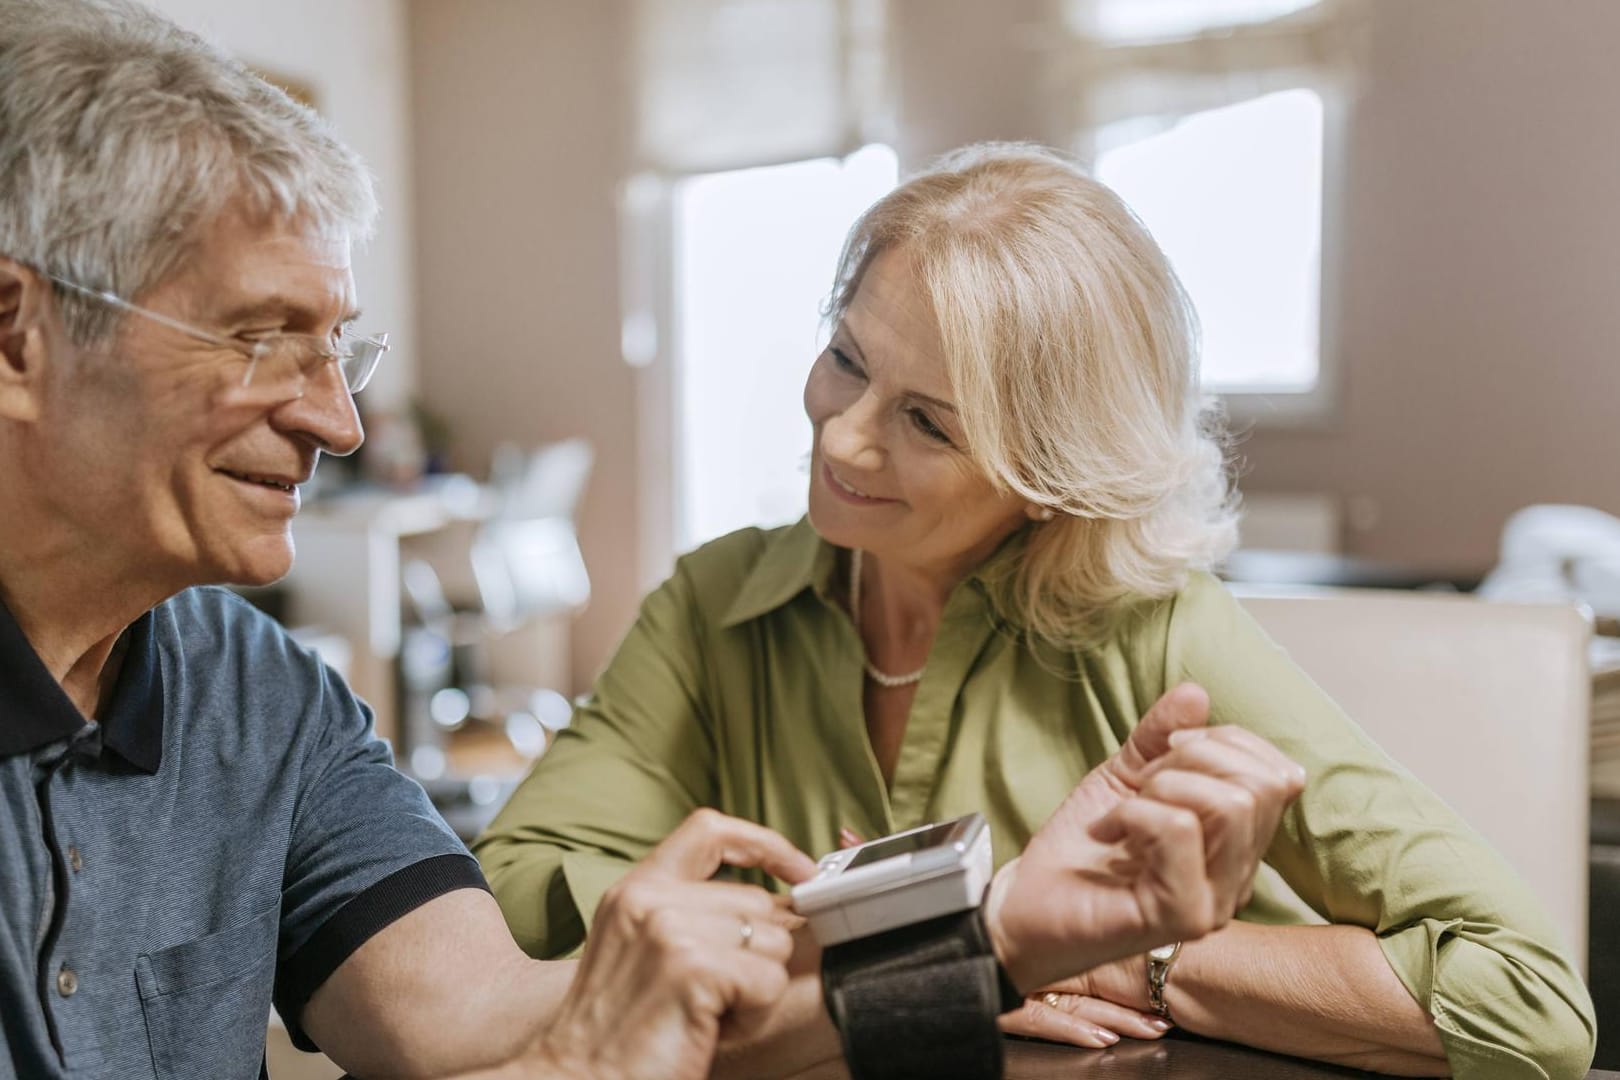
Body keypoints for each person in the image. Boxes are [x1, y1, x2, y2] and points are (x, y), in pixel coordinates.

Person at [0, 4, 1301, 1078]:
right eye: (257, 336)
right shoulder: (717, 599)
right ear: (21, 334)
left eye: (337, 347)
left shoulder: (269, 704)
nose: (337, 421)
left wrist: (997, 936)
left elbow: (486, 1026)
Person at [476, 143, 1598, 1079]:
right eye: (844, 359)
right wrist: (931, 952)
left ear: (1049, 472)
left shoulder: (1159, 631)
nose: (842, 434)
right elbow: (510, 903)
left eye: (928, 421)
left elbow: (1531, 1001)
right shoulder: (715, 601)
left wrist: (1123, 958)